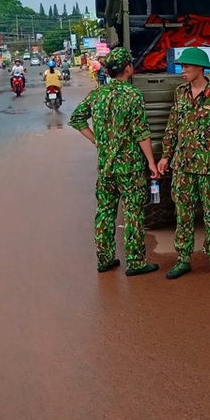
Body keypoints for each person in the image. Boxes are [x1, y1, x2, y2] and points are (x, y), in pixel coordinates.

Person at [69, 47, 161, 275]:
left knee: (105, 212)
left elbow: (77, 119)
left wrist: (96, 140)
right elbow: (141, 132)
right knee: (133, 213)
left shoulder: (97, 94)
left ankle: (105, 258)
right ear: (128, 68)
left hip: (106, 167)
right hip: (130, 167)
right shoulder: (133, 95)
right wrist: (151, 162)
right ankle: (136, 262)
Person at [157, 48, 210, 280]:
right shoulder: (180, 93)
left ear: (200, 68)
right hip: (183, 166)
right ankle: (183, 259)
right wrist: (165, 156)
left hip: (209, 166)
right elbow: (173, 126)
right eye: (182, 67)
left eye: (187, 66)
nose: (183, 71)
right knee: (183, 214)